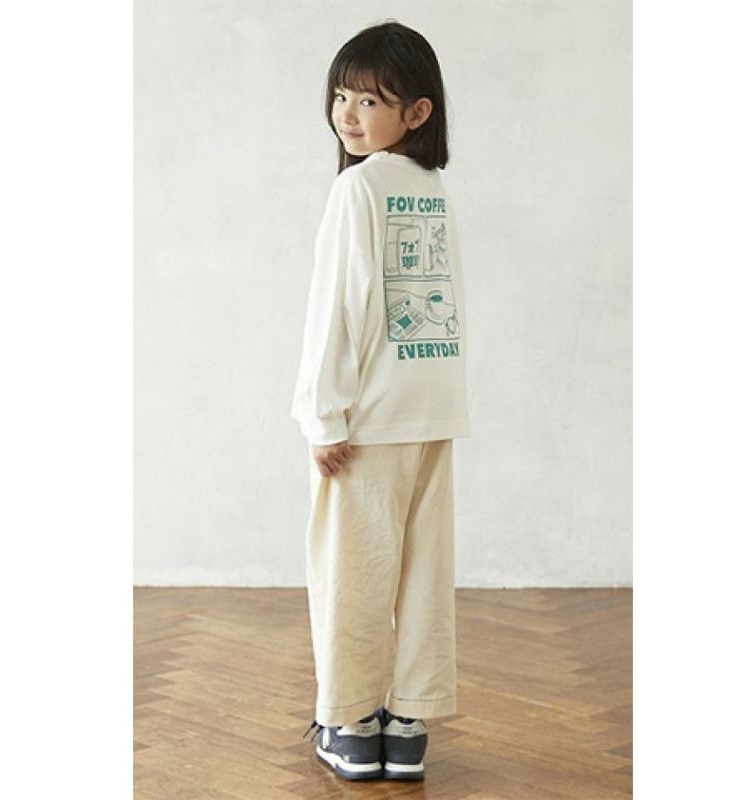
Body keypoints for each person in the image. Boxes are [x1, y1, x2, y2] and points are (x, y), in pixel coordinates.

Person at [291, 19, 471, 782]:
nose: (348, 114)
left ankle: (351, 721)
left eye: (369, 100)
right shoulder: (431, 190)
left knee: (354, 574)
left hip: (367, 422)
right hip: (433, 409)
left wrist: (321, 413)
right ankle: (409, 722)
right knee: (424, 573)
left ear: (417, 112)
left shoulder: (358, 188)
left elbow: (338, 308)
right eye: (341, 96)